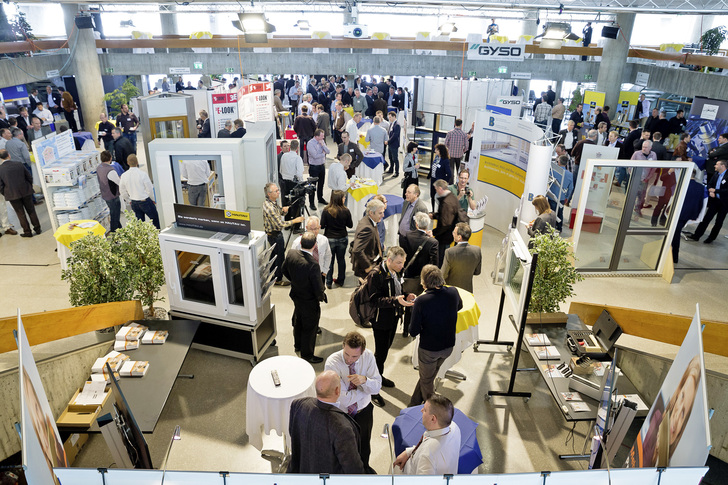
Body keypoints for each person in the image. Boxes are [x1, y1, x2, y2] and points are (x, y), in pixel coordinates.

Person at [324, 332, 382, 470]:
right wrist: (364, 389)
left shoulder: (368, 356)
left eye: (354, 356)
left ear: (362, 352)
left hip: (364, 410)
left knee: (364, 446)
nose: (349, 359)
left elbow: (377, 388)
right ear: (343, 346)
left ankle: (363, 470)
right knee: (342, 446)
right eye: (346, 354)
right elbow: (343, 399)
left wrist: (365, 380)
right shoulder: (332, 363)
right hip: (341, 413)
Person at [288, 370, 365, 474]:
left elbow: (293, 433)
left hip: (302, 471)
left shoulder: (298, 404)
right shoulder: (343, 428)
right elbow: (353, 469)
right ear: (337, 390)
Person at [408, 265, 462, 406]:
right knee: (428, 377)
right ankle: (413, 403)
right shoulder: (453, 292)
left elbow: (413, 331)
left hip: (429, 349)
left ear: (424, 282)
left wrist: (416, 311)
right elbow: (459, 306)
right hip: (448, 346)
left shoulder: (422, 301)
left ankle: (432, 409)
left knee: (427, 382)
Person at [368, 246, 414, 401]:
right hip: (381, 320)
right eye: (399, 263)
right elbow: (374, 300)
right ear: (389, 260)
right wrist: (395, 300)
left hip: (393, 317)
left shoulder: (396, 272)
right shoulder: (376, 275)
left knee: (385, 350)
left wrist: (406, 296)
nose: (402, 266)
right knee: (380, 353)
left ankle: (378, 376)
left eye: (403, 262)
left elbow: (397, 291)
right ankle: (373, 389)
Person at [282, 232, 327, 363]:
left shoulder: (291, 253)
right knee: (310, 327)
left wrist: (295, 282)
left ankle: (298, 345)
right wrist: (320, 297)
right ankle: (307, 354)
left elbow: (283, 270)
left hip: (296, 294)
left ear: (300, 243)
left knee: (298, 320)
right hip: (309, 300)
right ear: (315, 246)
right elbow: (318, 287)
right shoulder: (313, 264)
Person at [395, 394, 461, 474]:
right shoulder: (454, 427)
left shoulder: (427, 456)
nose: (421, 410)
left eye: (425, 410)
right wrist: (409, 452)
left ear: (433, 418)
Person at [263, 183, 304, 286]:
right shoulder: (270, 207)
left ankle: (272, 274)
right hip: (275, 235)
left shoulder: (272, 202)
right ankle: (277, 279)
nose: (278, 192)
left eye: (278, 190)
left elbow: (279, 213)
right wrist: (295, 220)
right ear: (269, 194)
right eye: (276, 191)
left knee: (274, 256)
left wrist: (284, 211)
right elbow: (280, 224)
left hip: (274, 234)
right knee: (279, 257)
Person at [0, 149, 40, 237]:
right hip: (26, 191)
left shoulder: (1, 169)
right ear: (9, 155)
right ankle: (38, 229)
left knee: (20, 214)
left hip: (12, 195)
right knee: (31, 211)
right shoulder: (19, 164)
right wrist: (28, 186)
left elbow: (1, 186)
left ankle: (27, 232)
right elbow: (29, 177)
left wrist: (6, 193)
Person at [688, 160, 727, 244]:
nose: (715, 166)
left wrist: (716, 191)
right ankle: (696, 235)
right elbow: (709, 184)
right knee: (706, 219)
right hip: (715, 201)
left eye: (717, 164)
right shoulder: (716, 174)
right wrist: (710, 191)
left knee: (719, 221)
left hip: (724, 203)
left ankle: (711, 238)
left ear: (723, 166)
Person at [321, 190, 353, 288]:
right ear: (340, 199)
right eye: (344, 197)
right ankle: (341, 280)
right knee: (341, 260)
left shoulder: (326, 210)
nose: (345, 199)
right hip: (342, 238)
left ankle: (329, 281)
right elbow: (350, 225)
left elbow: (322, 226)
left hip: (329, 238)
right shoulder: (346, 211)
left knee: (329, 261)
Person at [119, 154, 160, 229]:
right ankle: (158, 235)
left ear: (127, 163)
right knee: (155, 219)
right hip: (145, 200)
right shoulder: (143, 174)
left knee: (140, 223)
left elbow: (122, 191)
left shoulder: (124, 176)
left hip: (134, 202)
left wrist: (128, 200)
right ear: (137, 162)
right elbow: (149, 188)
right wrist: (153, 199)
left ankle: (143, 238)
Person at [441, 222, 482, 293]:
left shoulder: (450, 252)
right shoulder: (477, 250)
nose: (452, 234)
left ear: (459, 237)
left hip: (451, 292)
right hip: (467, 291)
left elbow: (443, 275)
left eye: (454, 232)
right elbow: (477, 272)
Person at [291, 216, 332, 284]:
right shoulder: (297, 242)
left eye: (316, 229)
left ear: (319, 227)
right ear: (306, 228)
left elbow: (328, 256)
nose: (313, 231)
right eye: (311, 229)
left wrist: (325, 271)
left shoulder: (324, 240)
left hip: (319, 275)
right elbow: (292, 261)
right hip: (303, 277)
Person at [351, 198, 385, 279]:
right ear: (371, 213)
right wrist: (367, 266)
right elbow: (357, 250)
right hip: (367, 266)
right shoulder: (367, 228)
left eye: (383, 212)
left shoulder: (369, 220)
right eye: (380, 213)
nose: (383, 215)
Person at [431, 179, 459, 266]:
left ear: (440, 188)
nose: (435, 191)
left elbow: (445, 224)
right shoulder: (451, 196)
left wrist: (433, 232)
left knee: (441, 259)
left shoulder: (446, 202)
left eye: (436, 189)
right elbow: (445, 215)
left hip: (445, 236)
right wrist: (434, 215)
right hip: (448, 234)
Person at [97, 150, 122, 232]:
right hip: (113, 196)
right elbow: (118, 182)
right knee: (115, 216)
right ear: (110, 158)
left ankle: (121, 232)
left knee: (115, 215)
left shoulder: (99, 168)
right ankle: (115, 237)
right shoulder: (110, 170)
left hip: (105, 194)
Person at [549, 155, 574, 231]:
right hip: (562, 197)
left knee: (551, 213)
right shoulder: (570, 174)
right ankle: (559, 228)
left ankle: (551, 228)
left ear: (559, 162)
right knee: (560, 213)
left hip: (552, 196)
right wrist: (567, 197)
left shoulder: (553, 171)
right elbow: (571, 188)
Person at [307, 129, 330, 208]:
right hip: (314, 167)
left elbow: (328, 151)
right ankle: (311, 203)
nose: (323, 137)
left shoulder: (322, 142)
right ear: (316, 136)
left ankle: (320, 198)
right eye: (322, 136)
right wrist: (323, 154)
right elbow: (315, 156)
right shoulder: (310, 143)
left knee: (321, 184)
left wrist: (323, 146)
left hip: (322, 166)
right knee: (312, 186)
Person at [430, 144, 452, 209]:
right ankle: (433, 210)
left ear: (440, 151)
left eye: (436, 150)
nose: (435, 151)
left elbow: (449, 173)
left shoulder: (445, 160)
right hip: (433, 180)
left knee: (438, 198)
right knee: (432, 196)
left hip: (439, 183)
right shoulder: (436, 157)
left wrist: (445, 182)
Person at [385, 111, 401, 177]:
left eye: (390, 117)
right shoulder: (391, 124)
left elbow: (395, 135)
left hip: (394, 144)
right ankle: (391, 169)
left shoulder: (397, 125)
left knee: (395, 158)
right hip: (390, 144)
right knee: (390, 157)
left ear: (394, 116)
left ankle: (397, 172)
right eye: (389, 117)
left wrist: (388, 141)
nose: (389, 119)